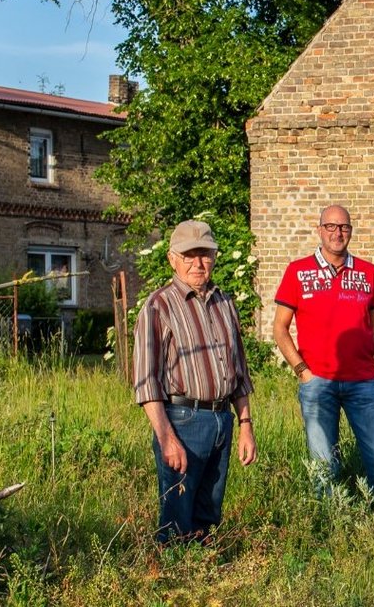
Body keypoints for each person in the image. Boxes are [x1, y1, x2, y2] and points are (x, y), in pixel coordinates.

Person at [132, 220, 257, 544]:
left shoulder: (225, 303)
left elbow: (240, 373)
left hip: (221, 421)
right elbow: (147, 382)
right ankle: (173, 580)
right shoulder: (159, 306)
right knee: (177, 513)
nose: (198, 263)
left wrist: (245, 425)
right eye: (189, 256)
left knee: (207, 513)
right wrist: (166, 438)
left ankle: (202, 573)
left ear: (214, 258)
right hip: (183, 421)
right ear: (173, 259)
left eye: (204, 254)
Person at [271, 204, 374, 498]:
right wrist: (302, 371)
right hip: (318, 384)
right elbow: (280, 328)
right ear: (319, 230)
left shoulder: (368, 273)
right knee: (323, 466)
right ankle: (330, 530)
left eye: (343, 227)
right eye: (330, 226)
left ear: (350, 231)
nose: (337, 233)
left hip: (363, 382)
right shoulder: (297, 271)